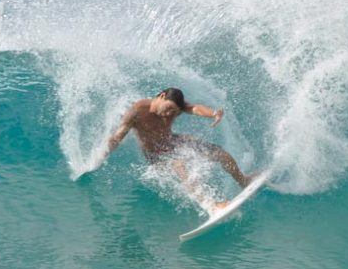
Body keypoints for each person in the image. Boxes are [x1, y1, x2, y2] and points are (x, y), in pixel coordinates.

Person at [100, 87, 256, 209]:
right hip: (156, 155)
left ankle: (243, 180)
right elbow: (117, 136)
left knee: (219, 153)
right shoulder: (137, 111)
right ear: (161, 96)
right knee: (180, 164)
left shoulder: (175, 107)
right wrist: (100, 157)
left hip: (173, 142)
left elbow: (194, 108)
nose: (169, 114)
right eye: (168, 109)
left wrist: (213, 113)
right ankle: (211, 205)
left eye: (174, 112)